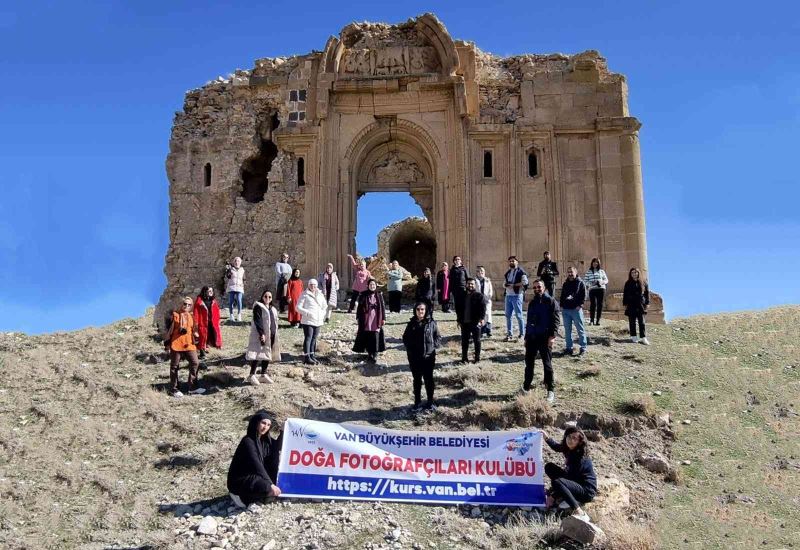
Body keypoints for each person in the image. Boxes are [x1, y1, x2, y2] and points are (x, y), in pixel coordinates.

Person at [227, 411, 283, 507]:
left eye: (268, 425)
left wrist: (283, 431)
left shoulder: (265, 441)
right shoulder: (247, 441)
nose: (265, 427)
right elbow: (256, 464)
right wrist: (270, 484)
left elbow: (277, 446)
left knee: (271, 488)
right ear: (256, 422)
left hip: (256, 477)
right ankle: (238, 496)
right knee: (267, 487)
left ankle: (258, 496)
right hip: (241, 479)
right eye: (263, 423)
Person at [541, 426, 597, 522]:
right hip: (575, 481)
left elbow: (570, 479)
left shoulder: (580, 458)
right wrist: (546, 437)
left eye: (574, 438)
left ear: (579, 441)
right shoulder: (569, 448)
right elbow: (557, 447)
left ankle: (578, 511)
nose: (570, 440)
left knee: (557, 483)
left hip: (586, 490)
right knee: (549, 467)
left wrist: (553, 496)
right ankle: (562, 494)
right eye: (569, 436)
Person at [523, 279, 560, 403]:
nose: (536, 289)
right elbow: (529, 320)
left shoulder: (551, 301)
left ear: (543, 288)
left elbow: (555, 320)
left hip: (545, 337)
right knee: (529, 364)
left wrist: (553, 336)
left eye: (539, 287)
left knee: (547, 364)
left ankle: (550, 390)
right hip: (532, 337)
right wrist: (526, 337)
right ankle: (526, 387)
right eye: (534, 288)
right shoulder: (532, 303)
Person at [402, 302, 442, 413]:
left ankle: (430, 402)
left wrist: (433, 347)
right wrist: (410, 351)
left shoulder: (431, 323)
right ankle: (417, 402)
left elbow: (438, 337)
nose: (420, 311)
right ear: (415, 310)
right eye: (418, 309)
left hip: (428, 358)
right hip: (415, 359)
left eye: (422, 309)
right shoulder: (411, 324)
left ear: (426, 311)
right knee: (417, 381)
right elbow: (405, 338)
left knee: (429, 380)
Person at [163, 297, 202, 397]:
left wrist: (196, 334)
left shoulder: (191, 316)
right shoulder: (175, 315)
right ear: (181, 304)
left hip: (189, 344)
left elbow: (194, 329)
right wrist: (167, 344)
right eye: (185, 304)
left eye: (189, 305)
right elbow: (168, 330)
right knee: (174, 367)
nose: (187, 306)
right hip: (176, 344)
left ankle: (192, 387)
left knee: (195, 362)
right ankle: (174, 389)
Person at [245, 289, 281, 386]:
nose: (267, 298)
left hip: (272, 335)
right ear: (262, 297)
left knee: (267, 353)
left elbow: (275, 322)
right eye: (265, 296)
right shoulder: (258, 307)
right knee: (257, 353)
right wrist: (262, 334)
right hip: (261, 335)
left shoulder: (273, 309)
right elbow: (258, 321)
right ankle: (252, 374)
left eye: (270, 297)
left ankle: (263, 374)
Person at [352, 279, 386, 362]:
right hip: (366, 318)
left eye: (374, 284)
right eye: (370, 284)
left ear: (376, 285)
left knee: (375, 336)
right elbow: (359, 308)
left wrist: (384, 318)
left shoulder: (379, 295)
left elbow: (383, 307)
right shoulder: (363, 295)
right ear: (368, 286)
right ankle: (369, 353)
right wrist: (358, 318)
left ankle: (375, 354)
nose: (372, 286)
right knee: (367, 336)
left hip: (376, 318)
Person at [296, 279, 328, 364]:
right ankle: (307, 357)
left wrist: (322, 314)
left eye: (314, 285)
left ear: (316, 285)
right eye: (311, 284)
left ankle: (312, 355)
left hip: (318, 320)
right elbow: (298, 307)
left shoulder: (320, 294)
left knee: (314, 338)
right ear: (308, 285)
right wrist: (307, 313)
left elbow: (325, 306)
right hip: (308, 320)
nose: (313, 286)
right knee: (308, 338)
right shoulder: (304, 294)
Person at [560, 267, 588, 356]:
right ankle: (569, 348)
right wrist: (561, 305)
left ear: (576, 272)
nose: (570, 274)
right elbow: (562, 295)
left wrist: (580, 305)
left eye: (571, 272)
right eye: (568, 272)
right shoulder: (565, 283)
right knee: (567, 330)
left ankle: (583, 348)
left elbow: (584, 295)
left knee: (580, 329)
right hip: (566, 310)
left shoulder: (580, 283)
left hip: (576, 310)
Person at [459, 278, 486, 364]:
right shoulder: (462, 295)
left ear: (475, 285)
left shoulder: (479, 296)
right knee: (464, 341)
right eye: (469, 284)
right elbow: (458, 309)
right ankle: (464, 359)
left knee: (477, 341)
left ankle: (477, 359)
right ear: (466, 284)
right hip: (464, 322)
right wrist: (458, 320)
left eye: (472, 284)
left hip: (475, 322)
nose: (470, 285)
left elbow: (483, 309)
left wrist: (481, 319)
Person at [503, 256, 529, 341]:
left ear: (517, 262)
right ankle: (509, 334)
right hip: (508, 295)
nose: (511, 262)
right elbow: (504, 283)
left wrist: (514, 285)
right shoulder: (508, 272)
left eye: (513, 261)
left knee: (519, 315)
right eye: (510, 261)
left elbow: (525, 282)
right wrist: (506, 285)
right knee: (508, 315)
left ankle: (522, 334)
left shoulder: (521, 272)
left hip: (517, 295)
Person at [193, 286, 223, 359]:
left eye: (212, 291)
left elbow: (216, 311)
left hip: (212, 322)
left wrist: (217, 320)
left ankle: (209, 347)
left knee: (211, 335)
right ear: (205, 292)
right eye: (209, 291)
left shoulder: (213, 301)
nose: (211, 292)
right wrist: (196, 322)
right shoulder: (199, 301)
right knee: (202, 337)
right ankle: (202, 353)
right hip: (203, 322)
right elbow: (196, 312)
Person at [623, 267, 650, 345]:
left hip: (640, 304)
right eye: (632, 273)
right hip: (631, 304)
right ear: (630, 274)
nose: (634, 274)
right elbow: (625, 294)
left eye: (635, 272)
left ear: (638, 273)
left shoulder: (643, 282)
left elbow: (646, 293)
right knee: (632, 321)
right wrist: (625, 304)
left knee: (642, 322)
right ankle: (634, 336)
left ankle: (643, 337)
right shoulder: (627, 283)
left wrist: (647, 303)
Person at [584, 258, 609, 326]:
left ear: (598, 263)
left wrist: (601, 282)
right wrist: (591, 283)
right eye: (594, 262)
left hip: (601, 289)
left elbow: (606, 280)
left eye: (597, 262)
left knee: (600, 304)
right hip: (592, 289)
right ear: (592, 263)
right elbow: (585, 281)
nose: (595, 263)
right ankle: (592, 320)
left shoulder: (602, 271)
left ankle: (598, 320)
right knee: (593, 304)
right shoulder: (588, 272)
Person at [475, 265, 494, 337]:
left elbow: (490, 290)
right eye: (478, 271)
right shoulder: (475, 280)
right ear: (476, 272)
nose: (480, 272)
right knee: (480, 316)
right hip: (478, 301)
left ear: (484, 272)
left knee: (488, 315)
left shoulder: (487, 280)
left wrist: (488, 297)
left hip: (486, 300)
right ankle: (481, 331)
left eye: (482, 271)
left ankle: (488, 330)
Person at [449, 256, 469, 324]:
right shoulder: (452, 269)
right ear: (454, 261)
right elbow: (450, 280)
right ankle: (459, 318)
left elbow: (468, 278)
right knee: (457, 304)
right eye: (456, 259)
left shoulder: (464, 268)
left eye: (459, 259)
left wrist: (468, 288)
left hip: (463, 289)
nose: (457, 260)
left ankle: (464, 317)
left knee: (463, 304)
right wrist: (451, 290)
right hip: (455, 290)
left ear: (460, 261)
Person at [225, 257, 245, 322]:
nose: (237, 262)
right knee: (231, 301)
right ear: (234, 262)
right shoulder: (231, 269)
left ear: (240, 262)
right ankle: (231, 315)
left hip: (239, 287)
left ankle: (239, 315)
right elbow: (228, 276)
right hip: (232, 287)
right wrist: (228, 270)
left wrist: (243, 284)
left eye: (238, 261)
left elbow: (244, 278)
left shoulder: (242, 270)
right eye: (235, 261)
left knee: (239, 300)